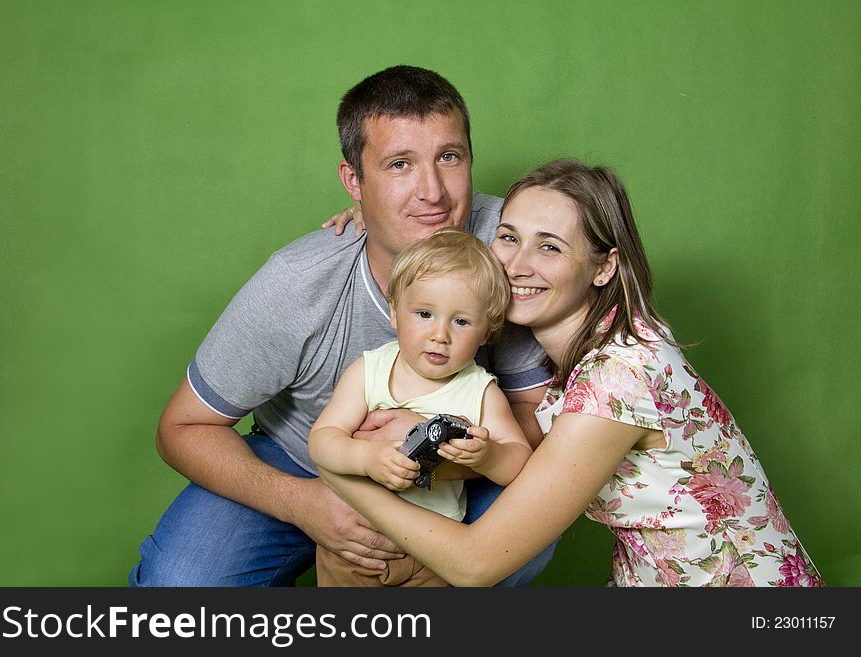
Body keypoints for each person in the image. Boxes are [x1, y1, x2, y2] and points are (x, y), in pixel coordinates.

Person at [129, 65, 557, 587]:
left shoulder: (509, 247)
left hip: (458, 468)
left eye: (449, 157)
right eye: (399, 164)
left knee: (533, 522)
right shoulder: (296, 286)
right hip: (302, 459)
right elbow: (180, 429)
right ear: (354, 181)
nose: (433, 193)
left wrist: (433, 455)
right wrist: (305, 504)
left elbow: (539, 415)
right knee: (181, 583)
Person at [317, 158, 826, 587]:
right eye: (508, 238)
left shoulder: (618, 378)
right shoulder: (622, 333)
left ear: (604, 267)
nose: (517, 265)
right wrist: (378, 218)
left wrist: (345, 473)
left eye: (550, 247)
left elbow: (475, 565)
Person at [310, 229, 532, 586]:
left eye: (461, 321)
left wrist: (487, 456)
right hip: (355, 545)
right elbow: (322, 441)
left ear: (487, 332)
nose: (439, 335)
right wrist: (365, 458)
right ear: (394, 311)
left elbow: (519, 461)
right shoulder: (370, 370)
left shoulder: (481, 391)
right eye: (424, 313)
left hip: (435, 553)